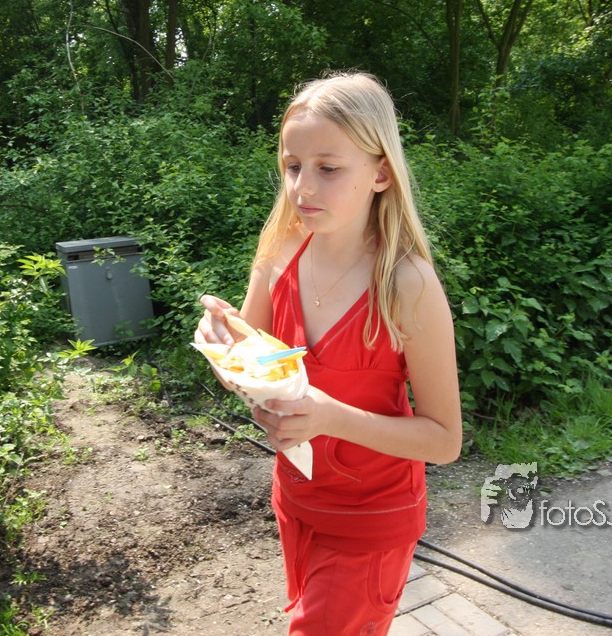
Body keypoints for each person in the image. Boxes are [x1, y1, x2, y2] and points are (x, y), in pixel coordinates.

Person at [196, 72, 462, 636]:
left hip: (372, 520)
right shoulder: (280, 251)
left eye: (329, 168)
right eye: (293, 166)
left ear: (381, 173)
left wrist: (330, 416)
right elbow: (249, 370)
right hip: (295, 502)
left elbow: (444, 441)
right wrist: (222, 348)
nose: (303, 188)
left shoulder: (407, 284)